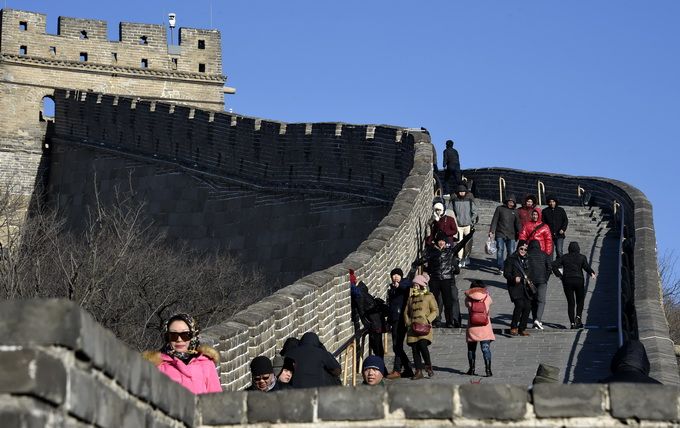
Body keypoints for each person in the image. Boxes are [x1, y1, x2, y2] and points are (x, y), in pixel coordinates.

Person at [143, 313, 222, 394]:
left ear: (193, 336)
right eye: (173, 335)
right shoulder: (156, 366)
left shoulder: (206, 363)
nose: (179, 339)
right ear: (167, 337)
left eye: (185, 335)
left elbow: (216, 401)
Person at [418, 229, 475, 328]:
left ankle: (450, 321)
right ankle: (436, 321)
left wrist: (469, 235)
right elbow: (423, 259)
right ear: (436, 242)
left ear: (445, 242)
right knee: (435, 301)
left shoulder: (450, 252)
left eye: (443, 241)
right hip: (435, 279)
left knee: (448, 302)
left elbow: (460, 244)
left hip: (446, 279)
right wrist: (415, 265)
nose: (441, 243)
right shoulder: (432, 252)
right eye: (439, 241)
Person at [552, 241, 596, 329]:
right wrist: (592, 273)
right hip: (579, 280)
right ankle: (578, 317)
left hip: (567, 281)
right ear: (578, 249)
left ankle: (572, 323)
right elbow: (586, 267)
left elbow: (554, 265)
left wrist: (560, 275)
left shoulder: (565, 257)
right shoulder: (582, 257)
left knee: (571, 302)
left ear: (569, 249)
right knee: (580, 300)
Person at [404, 274, 438, 380]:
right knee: (415, 349)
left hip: (424, 326)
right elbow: (406, 312)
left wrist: (428, 319)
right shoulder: (411, 298)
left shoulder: (429, 296)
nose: (415, 287)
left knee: (423, 346)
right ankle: (418, 371)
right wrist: (408, 322)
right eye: (414, 285)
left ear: (422, 285)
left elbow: (435, 310)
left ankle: (428, 366)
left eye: (417, 285)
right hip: (413, 328)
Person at [385, 268, 415, 379]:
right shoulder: (392, 289)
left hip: (401, 319)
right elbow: (391, 305)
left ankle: (397, 370)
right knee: (396, 346)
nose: (395, 277)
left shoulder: (405, 283)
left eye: (398, 275)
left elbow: (408, 285)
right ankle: (407, 369)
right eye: (393, 275)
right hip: (394, 319)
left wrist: (399, 285)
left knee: (397, 345)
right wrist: (388, 321)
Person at [464, 280, 495, 377]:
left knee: (471, 349)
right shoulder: (487, 298)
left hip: (473, 327)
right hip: (485, 327)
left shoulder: (468, 299)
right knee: (485, 349)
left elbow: (467, 305)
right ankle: (488, 370)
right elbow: (491, 302)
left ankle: (472, 369)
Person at [503, 241, 532, 336]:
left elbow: (531, 272)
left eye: (525, 249)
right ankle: (514, 327)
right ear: (518, 248)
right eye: (521, 249)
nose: (523, 251)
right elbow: (506, 273)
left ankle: (522, 328)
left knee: (527, 307)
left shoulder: (528, 259)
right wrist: (513, 278)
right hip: (515, 287)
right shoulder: (511, 259)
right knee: (519, 305)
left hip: (525, 287)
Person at [488, 194, 521, 274]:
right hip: (500, 233)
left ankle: (509, 266)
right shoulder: (499, 209)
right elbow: (494, 220)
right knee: (500, 250)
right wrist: (492, 231)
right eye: (509, 201)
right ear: (506, 202)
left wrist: (520, 233)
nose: (511, 203)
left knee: (511, 251)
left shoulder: (515, 211)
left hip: (511, 234)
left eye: (512, 202)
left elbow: (518, 224)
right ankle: (501, 267)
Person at [526, 239, 552, 330]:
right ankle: (538, 319)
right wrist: (546, 278)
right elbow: (549, 267)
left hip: (530, 281)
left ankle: (534, 319)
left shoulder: (527, 254)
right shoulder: (544, 254)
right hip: (542, 281)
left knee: (533, 300)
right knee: (541, 301)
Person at [451, 184, 478, 267]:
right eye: (460, 192)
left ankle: (466, 257)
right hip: (458, 225)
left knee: (468, 243)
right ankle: (460, 258)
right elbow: (450, 211)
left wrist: (471, 220)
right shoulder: (454, 200)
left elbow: (475, 212)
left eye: (463, 192)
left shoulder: (469, 200)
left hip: (468, 225)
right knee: (459, 242)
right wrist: (454, 220)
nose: (461, 193)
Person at [542, 195, 569, 259]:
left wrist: (563, 229)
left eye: (553, 201)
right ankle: (550, 266)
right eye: (550, 202)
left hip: (559, 234)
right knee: (550, 252)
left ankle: (559, 264)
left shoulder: (561, 210)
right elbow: (543, 223)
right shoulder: (545, 211)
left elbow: (565, 220)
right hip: (549, 235)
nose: (552, 203)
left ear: (556, 202)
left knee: (559, 251)